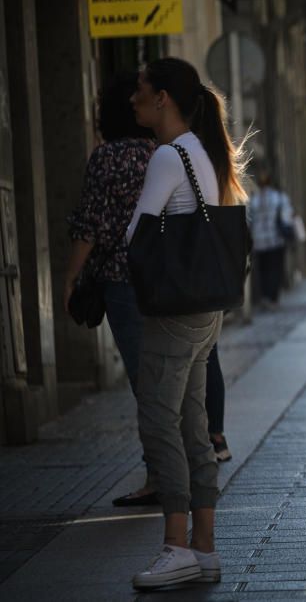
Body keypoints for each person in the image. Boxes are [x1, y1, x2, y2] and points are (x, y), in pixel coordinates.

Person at [125, 57, 248, 590]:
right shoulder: (205, 149)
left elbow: (137, 232)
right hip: (206, 311)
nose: (133, 100)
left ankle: (175, 545)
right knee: (194, 424)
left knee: (159, 422)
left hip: (173, 313)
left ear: (163, 101)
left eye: (141, 91)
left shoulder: (168, 156)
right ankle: (203, 548)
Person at [65, 71, 158, 505]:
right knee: (170, 377)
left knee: (144, 380)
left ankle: (160, 475)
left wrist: (71, 278)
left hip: (123, 281)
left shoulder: (107, 158)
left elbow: (92, 226)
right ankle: (178, 468)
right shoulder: (162, 153)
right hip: (167, 282)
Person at [248, 169, 293, 309]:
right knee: (276, 269)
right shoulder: (279, 197)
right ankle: (273, 297)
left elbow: (248, 220)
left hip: (259, 241)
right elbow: (287, 217)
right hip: (276, 240)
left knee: (263, 269)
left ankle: (265, 296)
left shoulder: (253, 200)